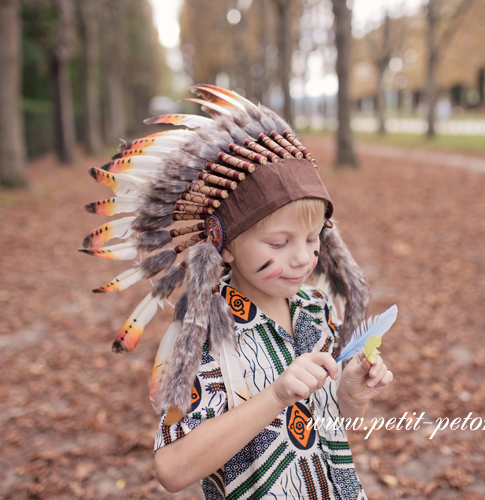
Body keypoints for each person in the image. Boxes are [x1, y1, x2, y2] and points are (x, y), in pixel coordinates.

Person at [79, 84, 393, 499]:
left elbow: (333, 433)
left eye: (314, 239)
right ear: (223, 244)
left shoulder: (317, 309)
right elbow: (171, 469)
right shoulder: (205, 335)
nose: (302, 258)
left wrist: (351, 398)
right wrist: (276, 394)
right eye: (279, 244)